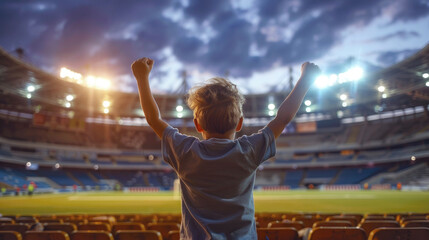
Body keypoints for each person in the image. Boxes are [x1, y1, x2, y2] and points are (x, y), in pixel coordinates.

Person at [132, 57, 320, 239]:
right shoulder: (249, 151)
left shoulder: (185, 151)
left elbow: (153, 119)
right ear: (239, 124)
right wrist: (305, 79)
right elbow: (282, 118)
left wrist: (142, 78)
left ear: (197, 125)